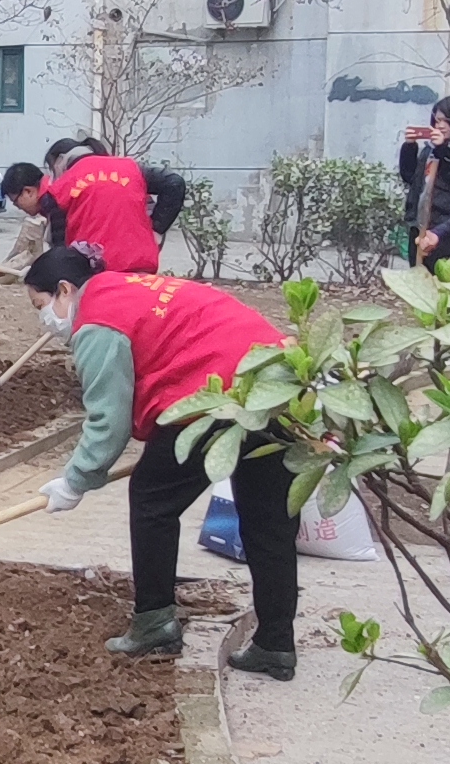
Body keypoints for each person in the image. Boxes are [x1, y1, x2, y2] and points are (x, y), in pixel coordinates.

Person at [22, 244, 301, 680]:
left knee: (153, 502)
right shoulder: (127, 286)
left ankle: (154, 624)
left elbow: (107, 419)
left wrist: (75, 481)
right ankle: (276, 645)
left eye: (41, 306)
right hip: (277, 383)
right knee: (268, 523)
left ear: (64, 289)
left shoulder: (97, 320)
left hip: (213, 394)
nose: (45, 319)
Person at [5, 137, 187, 273]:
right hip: (141, 265)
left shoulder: (64, 185)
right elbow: (174, 183)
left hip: (98, 270)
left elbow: (61, 252)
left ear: (59, 162)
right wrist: (155, 230)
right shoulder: (131, 168)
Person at [397, 95, 450, 261]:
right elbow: (410, 176)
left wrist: (443, 150)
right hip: (419, 224)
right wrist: (409, 146)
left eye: (445, 121)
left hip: (445, 228)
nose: (440, 126)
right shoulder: (430, 149)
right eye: (437, 120)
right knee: (417, 278)